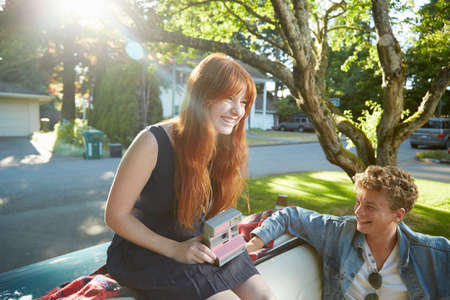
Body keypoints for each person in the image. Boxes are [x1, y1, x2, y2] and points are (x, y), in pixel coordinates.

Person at [105, 53, 276, 300]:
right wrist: (175, 249)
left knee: (266, 298)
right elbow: (115, 216)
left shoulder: (226, 144)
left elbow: (215, 213)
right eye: (229, 97)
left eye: (244, 101)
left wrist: (222, 239)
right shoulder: (152, 142)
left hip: (200, 243)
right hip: (148, 252)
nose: (238, 111)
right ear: (203, 96)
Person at [246, 166, 449, 300]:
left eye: (370, 207)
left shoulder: (434, 254)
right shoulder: (340, 232)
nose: (358, 212)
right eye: (358, 202)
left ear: (398, 215)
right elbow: (290, 215)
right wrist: (253, 245)